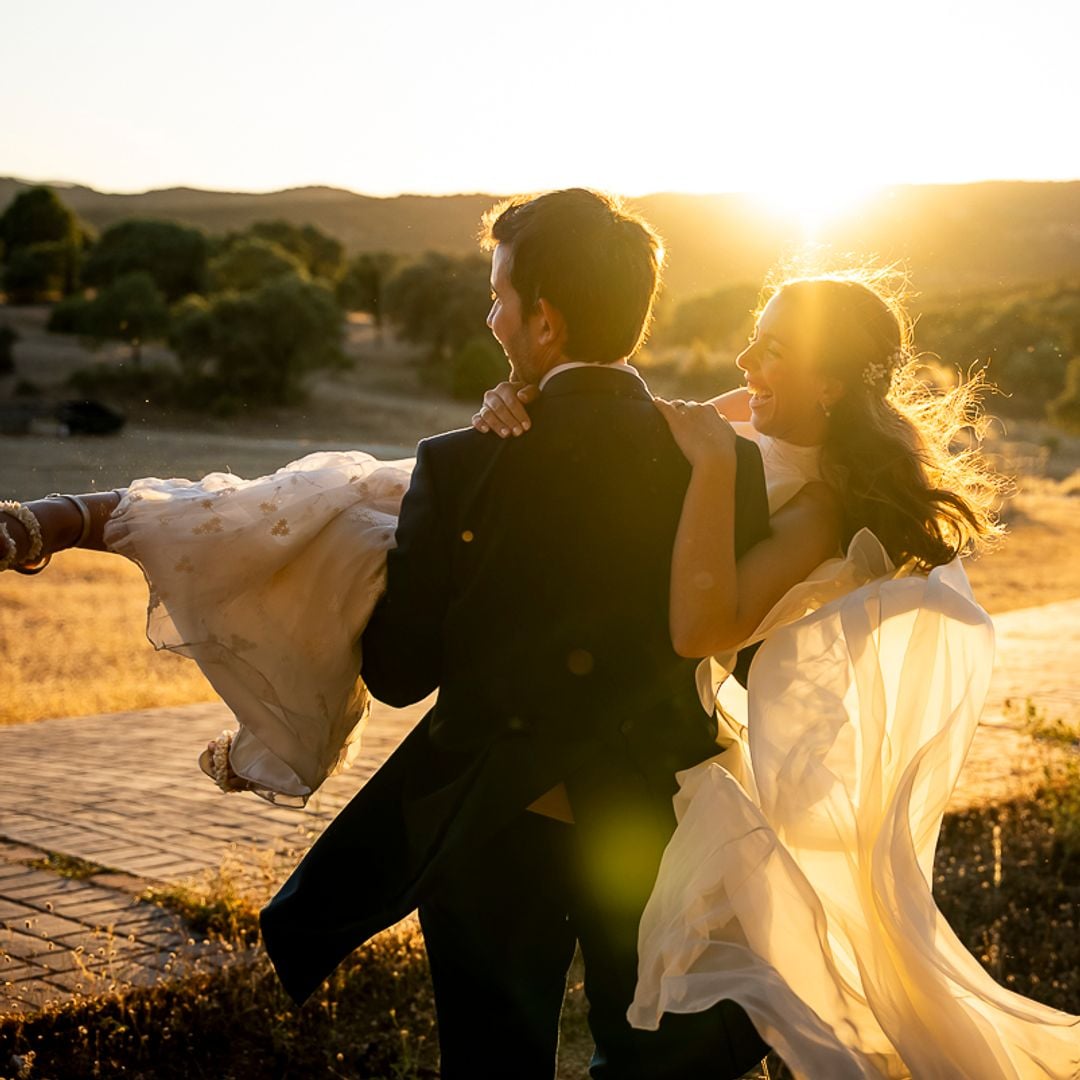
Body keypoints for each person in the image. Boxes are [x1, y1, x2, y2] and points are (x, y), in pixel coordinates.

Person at [0, 188, 774, 1078]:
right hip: (658, 818)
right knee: (665, 1067)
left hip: (488, 827)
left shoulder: (463, 462)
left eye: (499, 295)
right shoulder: (720, 458)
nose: (493, 316)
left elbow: (402, 674)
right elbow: (741, 637)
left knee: (490, 1065)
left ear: (547, 322)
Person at [471, 271, 1080, 1078]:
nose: (745, 358)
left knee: (679, 1032)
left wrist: (717, 468)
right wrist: (516, 404)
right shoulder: (778, 423)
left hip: (706, 770)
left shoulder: (821, 504)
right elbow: (632, 416)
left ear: (830, 381)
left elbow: (700, 630)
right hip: (653, 758)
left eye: (773, 348)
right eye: (754, 338)